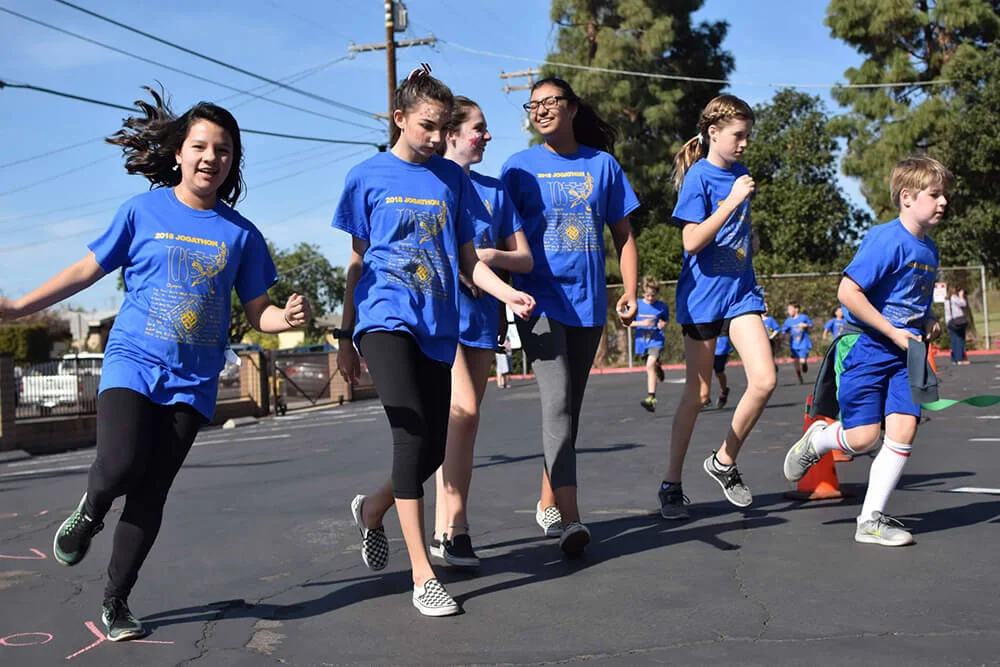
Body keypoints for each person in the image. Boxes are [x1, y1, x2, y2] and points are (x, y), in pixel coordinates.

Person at [0, 87, 310, 641]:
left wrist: (282, 321)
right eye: (201, 146)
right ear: (178, 153)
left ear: (233, 161)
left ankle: (116, 601)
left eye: (223, 149)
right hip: (133, 361)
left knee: (151, 493)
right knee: (118, 466)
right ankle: (91, 510)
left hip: (193, 381)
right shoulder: (142, 211)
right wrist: (21, 306)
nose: (211, 157)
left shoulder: (241, 234)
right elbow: (85, 270)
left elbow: (257, 311)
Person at [333, 66, 535, 616]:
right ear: (399, 118)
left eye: (443, 126)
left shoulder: (452, 180)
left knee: (428, 450)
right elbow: (356, 262)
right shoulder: (366, 176)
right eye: (427, 125)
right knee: (411, 431)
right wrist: (345, 335)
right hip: (383, 319)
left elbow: (470, 259)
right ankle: (422, 573)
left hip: (437, 323)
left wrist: (506, 295)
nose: (435, 135)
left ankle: (372, 509)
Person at [501, 77, 640, 557]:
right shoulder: (517, 169)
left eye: (549, 102)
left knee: (569, 412)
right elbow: (501, 240)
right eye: (532, 105)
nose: (539, 110)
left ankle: (547, 502)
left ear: (572, 107)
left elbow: (624, 236)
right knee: (556, 404)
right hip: (536, 303)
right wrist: (502, 304)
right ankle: (571, 520)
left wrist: (630, 290)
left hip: (587, 305)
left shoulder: (602, 166)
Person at [783, 156, 951, 547]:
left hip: (904, 353)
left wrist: (925, 322)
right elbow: (848, 293)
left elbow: (913, 301)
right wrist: (893, 332)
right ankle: (819, 440)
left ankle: (870, 520)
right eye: (935, 194)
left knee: (904, 429)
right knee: (861, 439)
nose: (943, 202)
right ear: (907, 197)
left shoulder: (931, 251)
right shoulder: (885, 238)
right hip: (867, 347)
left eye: (945, 195)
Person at [658, 94, 777, 521]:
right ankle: (671, 483)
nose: (745, 143)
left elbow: (738, 234)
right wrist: (730, 204)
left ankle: (724, 460)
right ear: (713, 133)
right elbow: (691, 241)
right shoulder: (700, 179)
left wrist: (751, 241)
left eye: (748, 135)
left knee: (764, 381)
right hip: (703, 297)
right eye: (738, 135)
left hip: (741, 292)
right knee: (700, 394)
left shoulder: (741, 173)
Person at [430, 96, 533, 569]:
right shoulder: (430, 184)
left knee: (462, 428)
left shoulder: (494, 192)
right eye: (479, 128)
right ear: (450, 133)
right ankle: (457, 529)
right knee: (461, 414)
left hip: (481, 321)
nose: (487, 136)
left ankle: (444, 528)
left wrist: (492, 260)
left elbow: (525, 258)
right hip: (436, 319)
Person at [634, 276, 670, 413]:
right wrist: (640, 323)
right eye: (648, 295)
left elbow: (665, 320)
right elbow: (626, 322)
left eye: (653, 295)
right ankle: (658, 367)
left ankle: (651, 398)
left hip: (656, 340)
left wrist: (663, 324)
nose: (650, 298)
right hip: (642, 342)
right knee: (651, 365)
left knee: (649, 365)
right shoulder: (637, 305)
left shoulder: (661, 306)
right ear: (643, 293)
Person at [781, 302, 813, 384]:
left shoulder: (803, 317)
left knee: (802, 360)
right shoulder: (788, 321)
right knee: (796, 361)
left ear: (796, 309)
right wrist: (783, 334)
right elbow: (784, 330)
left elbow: (811, 324)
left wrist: (806, 325)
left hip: (803, 343)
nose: (789, 311)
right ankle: (799, 376)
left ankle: (804, 364)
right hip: (794, 344)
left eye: (790, 309)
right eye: (788, 310)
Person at [944, 286, 969, 364]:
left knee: (953, 340)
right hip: (958, 321)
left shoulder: (946, 300)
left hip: (950, 321)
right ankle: (960, 359)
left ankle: (954, 358)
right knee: (960, 339)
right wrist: (961, 296)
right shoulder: (954, 298)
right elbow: (963, 304)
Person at [711, 335, 734, 409]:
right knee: (704, 372)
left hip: (721, 349)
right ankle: (705, 396)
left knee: (719, 372)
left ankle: (724, 391)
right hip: (708, 348)